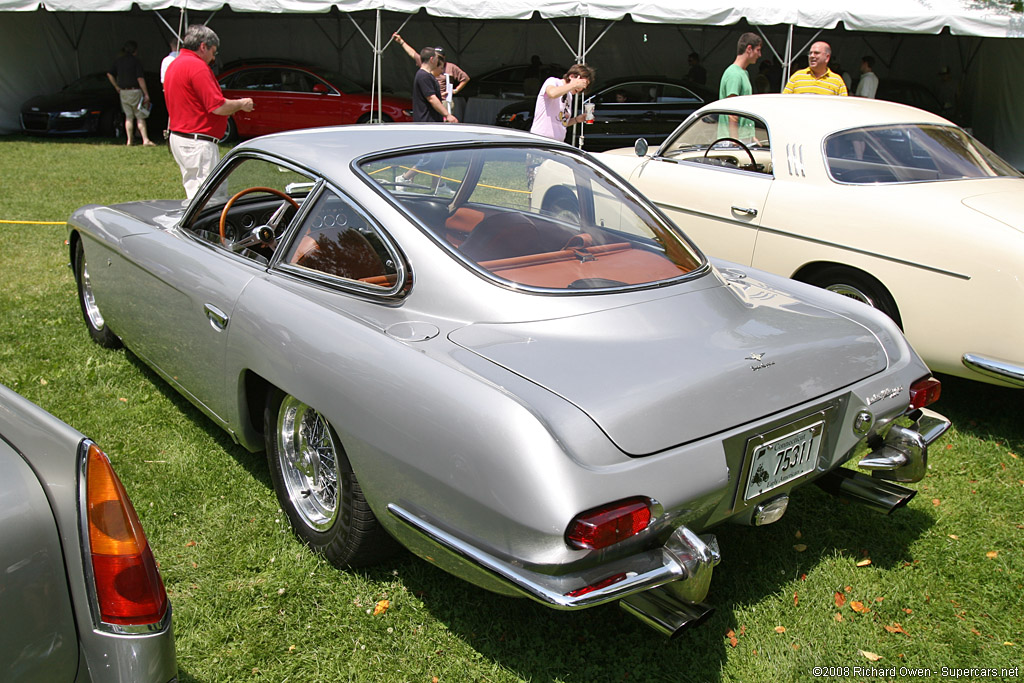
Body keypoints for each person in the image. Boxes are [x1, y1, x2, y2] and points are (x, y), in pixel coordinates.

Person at [163, 24, 254, 200]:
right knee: (210, 198)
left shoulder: (175, 64)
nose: (213, 57)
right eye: (213, 52)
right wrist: (241, 104)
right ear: (203, 46)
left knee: (195, 190)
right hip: (198, 141)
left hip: (181, 137)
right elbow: (218, 106)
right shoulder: (197, 67)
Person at [397, 46, 458, 188]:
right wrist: (447, 115)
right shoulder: (424, 76)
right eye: (437, 59)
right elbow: (431, 99)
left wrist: (440, 96)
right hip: (427, 121)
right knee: (430, 157)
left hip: (432, 121)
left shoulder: (427, 76)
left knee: (437, 154)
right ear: (432, 59)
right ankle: (405, 178)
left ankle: (438, 185)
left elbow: (431, 97)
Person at [392, 33, 469, 114]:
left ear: (444, 57)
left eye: (440, 57)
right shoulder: (426, 65)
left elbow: (465, 78)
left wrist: (455, 90)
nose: (438, 60)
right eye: (436, 56)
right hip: (430, 98)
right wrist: (401, 42)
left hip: (444, 101)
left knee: (445, 123)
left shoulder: (451, 67)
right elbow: (413, 53)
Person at [106, 40, 155, 146]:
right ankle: (145, 139)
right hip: (135, 91)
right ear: (135, 50)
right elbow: (140, 78)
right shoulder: (136, 61)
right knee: (140, 116)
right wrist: (146, 93)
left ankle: (129, 140)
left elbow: (109, 74)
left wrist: (116, 87)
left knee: (128, 117)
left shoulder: (118, 61)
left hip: (123, 92)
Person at [529, 63, 595, 142]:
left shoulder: (569, 95)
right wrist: (573, 85)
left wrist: (577, 119)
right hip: (541, 139)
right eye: (582, 83)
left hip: (557, 142)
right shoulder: (553, 81)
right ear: (572, 77)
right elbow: (552, 93)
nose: (581, 88)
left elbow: (561, 122)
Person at [718, 32, 761, 139]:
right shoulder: (734, 74)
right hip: (732, 140)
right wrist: (734, 141)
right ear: (749, 49)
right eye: (758, 50)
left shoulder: (743, 73)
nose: (759, 55)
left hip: (743, 138)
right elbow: (732, 112)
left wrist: (751, 136)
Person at [782, 41, 848, 96]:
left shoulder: (837, 81)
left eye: (816, 53)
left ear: (827, 57)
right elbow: (784, 100)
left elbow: (844, 105)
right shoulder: (797, 76)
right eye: (810, 53)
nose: (812, 56)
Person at [159, 37, 180, 140]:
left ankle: (172, 134)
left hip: (171, 91)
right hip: (184, 91)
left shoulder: (166, 61)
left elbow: (163, 80)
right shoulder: (184, 59)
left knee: (172, 115)